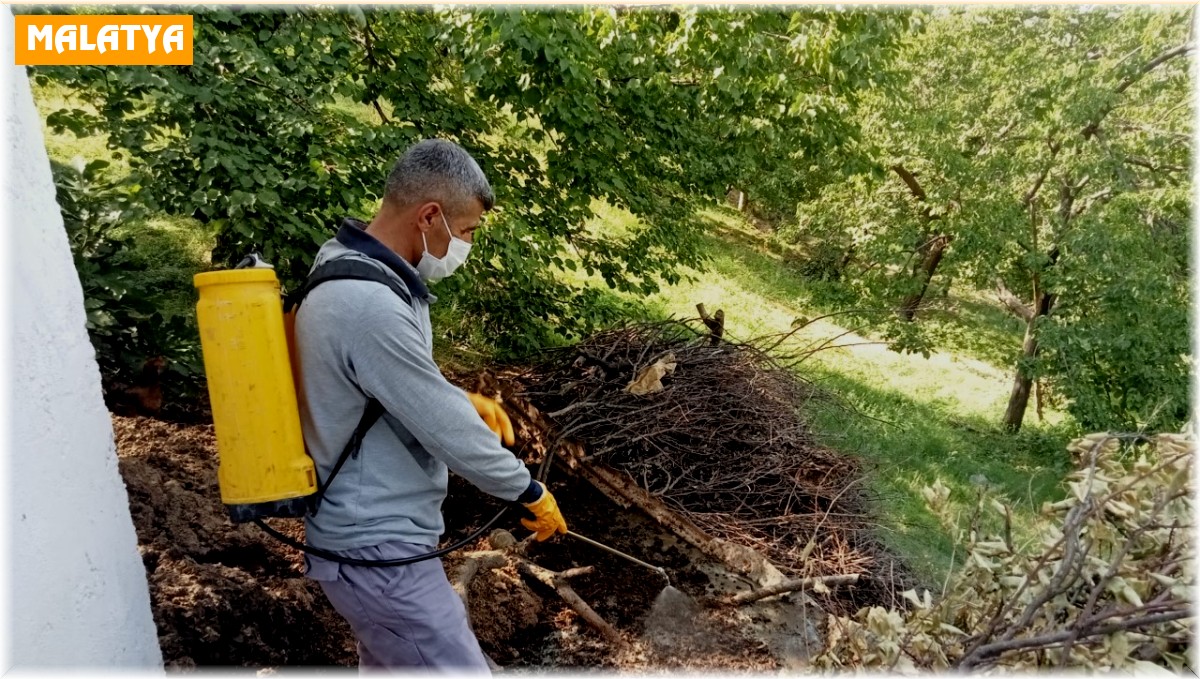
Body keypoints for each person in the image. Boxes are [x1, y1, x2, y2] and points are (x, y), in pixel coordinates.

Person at [293, 138, 568, 672]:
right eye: (466, 231)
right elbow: (446, 429)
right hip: (378, 552)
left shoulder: (349, 265)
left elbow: (380, 383)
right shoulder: (368, 302)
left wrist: (457, 397)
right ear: (429, 216)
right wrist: (527, 490)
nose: (466, 243)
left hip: (372, 547)